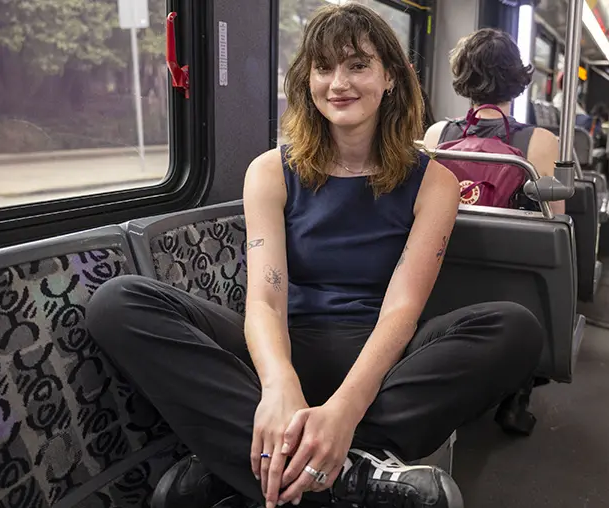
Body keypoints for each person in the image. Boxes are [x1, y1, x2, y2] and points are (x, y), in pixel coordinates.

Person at [86, 5, 544, 508]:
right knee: (119, 301)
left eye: (357, 66)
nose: (338, 83)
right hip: (283, 347)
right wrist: (278, 384)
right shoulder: (269, 171)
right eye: (323, 68)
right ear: (307, 80)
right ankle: (349, 477)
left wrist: (345, 410)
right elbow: (264, 301)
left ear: (390, 77)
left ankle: (252, 461)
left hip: (381, 361)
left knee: (515, 327)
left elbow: (401, 311)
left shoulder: (435, 182)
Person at [422, 28, 565, 214]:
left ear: (463, 75)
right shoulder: (542, 142)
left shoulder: (436, 135)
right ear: (517, 75)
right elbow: (556, 219)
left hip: (446, 241)